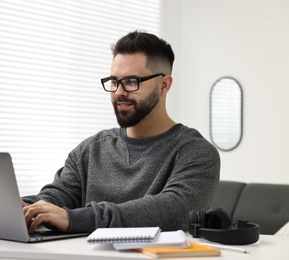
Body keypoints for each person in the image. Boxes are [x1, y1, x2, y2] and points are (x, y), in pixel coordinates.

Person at [22, 31, 220, 234]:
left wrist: (75, 219)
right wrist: (21, 207)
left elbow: (175, 212)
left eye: (132, 82)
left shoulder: (196, 153)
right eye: (114, 82)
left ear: (164, 85)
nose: (118, 92)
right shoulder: (90, 150)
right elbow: (57, 197)